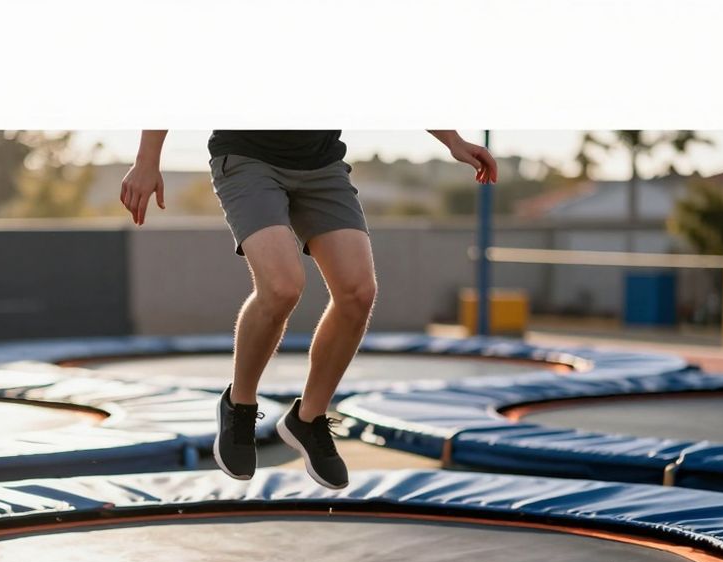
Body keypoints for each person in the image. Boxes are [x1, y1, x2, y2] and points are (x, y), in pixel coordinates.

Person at [120, 130, 497, 489]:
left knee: (358, 293)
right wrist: (146, 160)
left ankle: (308, 419)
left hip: (322, 165)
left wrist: (452, 140)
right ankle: (239, 405)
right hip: (247, 158)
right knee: (282, 287)